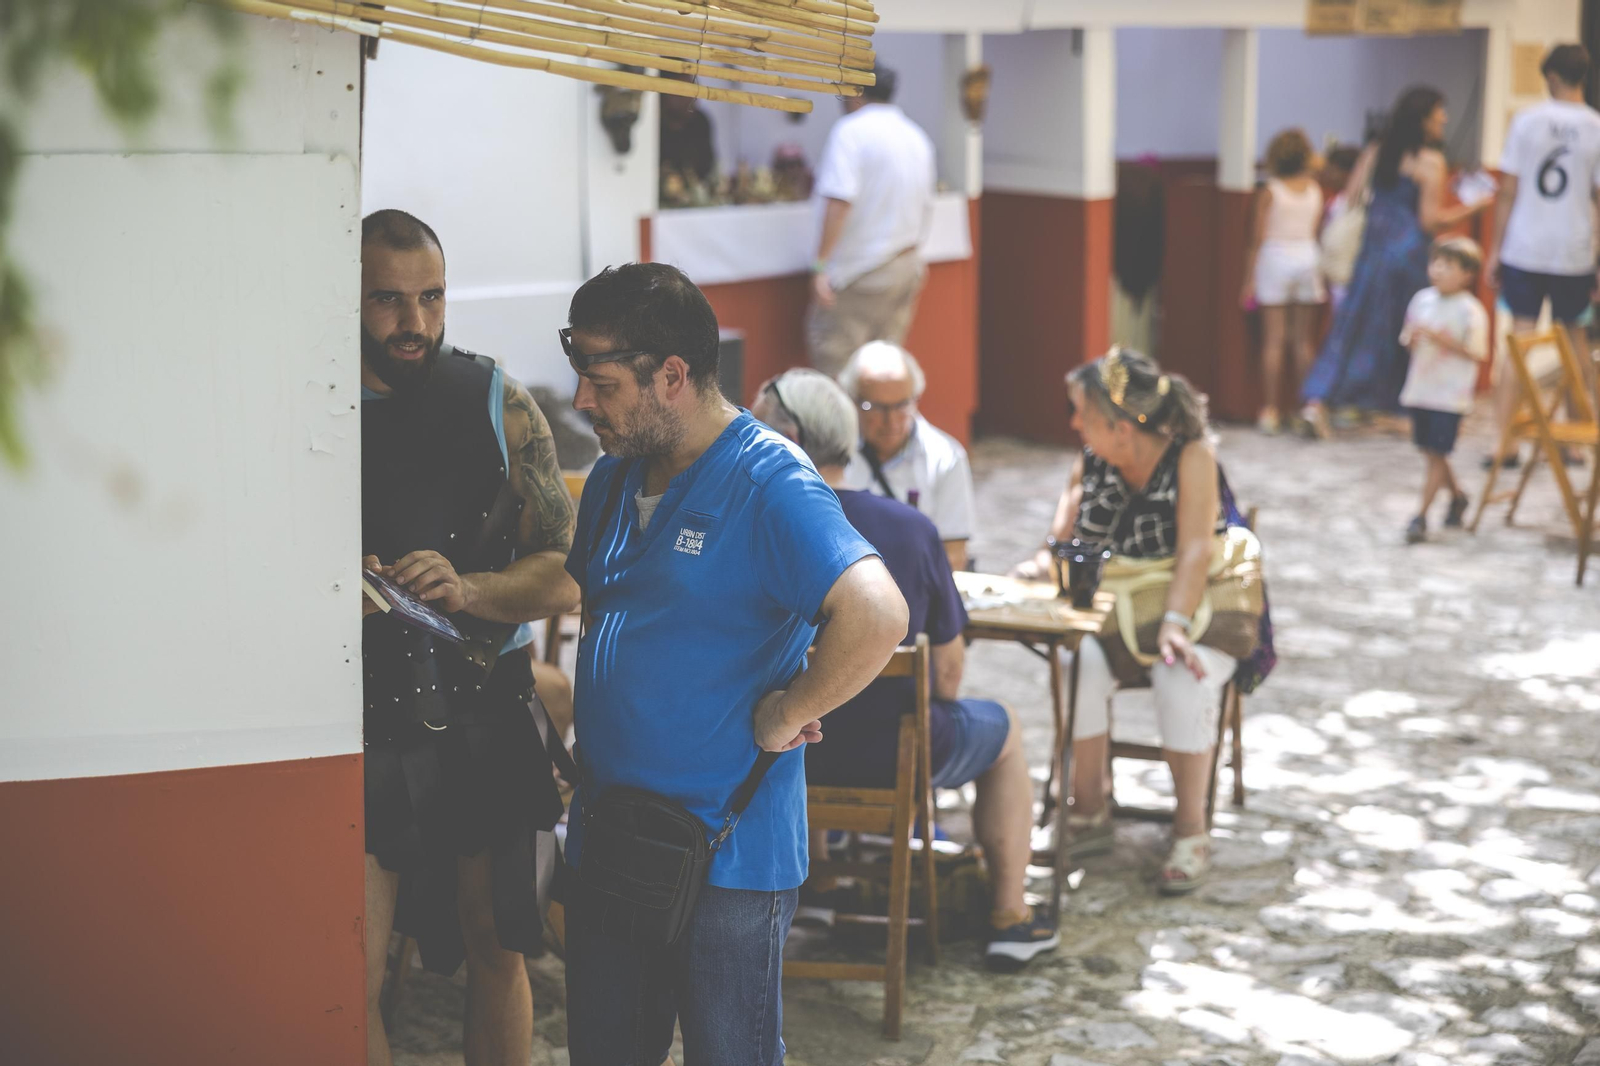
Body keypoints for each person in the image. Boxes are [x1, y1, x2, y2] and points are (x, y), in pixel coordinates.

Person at [559, 263, 909, 1066]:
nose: (583, 402)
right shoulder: (614, 477)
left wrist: (789, 710)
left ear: (672, 376)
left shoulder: (770, 479)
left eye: (601, 383)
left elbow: (879, 612)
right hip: (612, 836)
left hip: (726, 859)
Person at [358, 210, 580, 1066]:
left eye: (431, 298)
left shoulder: (496, 399)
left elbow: (564, 568)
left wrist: (472, 587)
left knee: (499, 945)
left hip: (487, 710)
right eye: (387, 299)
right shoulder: (309, 406)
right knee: (354, 972)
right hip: (361, 722)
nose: (415, 322)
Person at [751, 369, 1058, 973]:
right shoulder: (911, 531)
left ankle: (820, 885)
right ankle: (1008, 915)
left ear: (786, 437)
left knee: (807, 695)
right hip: (888, 756)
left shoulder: (758, 524)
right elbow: (945, 679)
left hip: (775, 749)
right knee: (1007, 732)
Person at [1020, 349, 1232, 894]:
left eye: (1080, 413)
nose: (1073, 425)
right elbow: (1061, 543)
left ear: (1119, 425)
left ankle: (1190, 828)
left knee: (1180, 672)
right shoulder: (1090, 459)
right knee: (1077, 659)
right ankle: (1088, 809)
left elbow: (1193, 553)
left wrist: (1175, 623)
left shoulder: (1191, 458)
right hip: (1110, 610)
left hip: (1194, 605)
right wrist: (1036, 568)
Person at [1299, 86, 1493, 438]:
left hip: (1372, 252)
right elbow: (1430, 220)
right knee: (1405, 332)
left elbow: (1353, 196)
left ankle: (1319, 401)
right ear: (1422, 120)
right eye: (1438, 115)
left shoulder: (1376, 151)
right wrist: (1475, 207)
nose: (1444, 121)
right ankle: (1404, 409)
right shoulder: (1430, 162)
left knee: (1350, 329)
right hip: (1409, 255)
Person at [1484, 43, 1600, 469]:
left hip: (1525, 247)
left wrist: (1495, 249)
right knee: (1576, 345)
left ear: (1552, 77)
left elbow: (1508, 190)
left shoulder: (1527, 121)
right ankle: (1576, 438)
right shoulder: (1595, 126)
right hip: (1573, 250)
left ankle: (1503, 443)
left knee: (1518, 343)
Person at [806, 65, 936, 377]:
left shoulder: (851, 131)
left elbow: (839, 200)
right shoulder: (916, 135)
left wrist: (820, 265)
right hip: (904, 264)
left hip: (860, 271)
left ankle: (845, 429)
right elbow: (926, 206)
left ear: (856, 92)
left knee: (836, 370)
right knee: (884, 372)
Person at [839, 341, 977, 571]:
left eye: (902, 405)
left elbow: (954, 553)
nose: (891, 421)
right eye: (876, 407)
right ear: (851, 400)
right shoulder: (832, 451)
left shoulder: (945, 457)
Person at [1399, 237, 1490, 543]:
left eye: (1448, 265)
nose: (1438, 270)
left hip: (1450, 396)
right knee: (1431, 451)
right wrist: (1412, 339)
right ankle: (1458, 495)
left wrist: (1441, 339)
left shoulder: (1471, 311)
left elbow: (1478, 352)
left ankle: (1420, 516)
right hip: (1420, 388)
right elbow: (1407, 338)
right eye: (1436, 263)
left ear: (1467, 273)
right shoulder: (1421, 300)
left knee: (1437, 452)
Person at [1241, 128, 1326, 435]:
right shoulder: (1315, 190)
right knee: (1303, 341)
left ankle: (1270, 409)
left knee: (1273, 341)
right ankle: (1308, 406)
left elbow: (1256, 238)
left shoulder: (1271, 190)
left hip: (1274, 259)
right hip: (1307, 257)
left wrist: (1248, 280)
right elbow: (1316, 230)